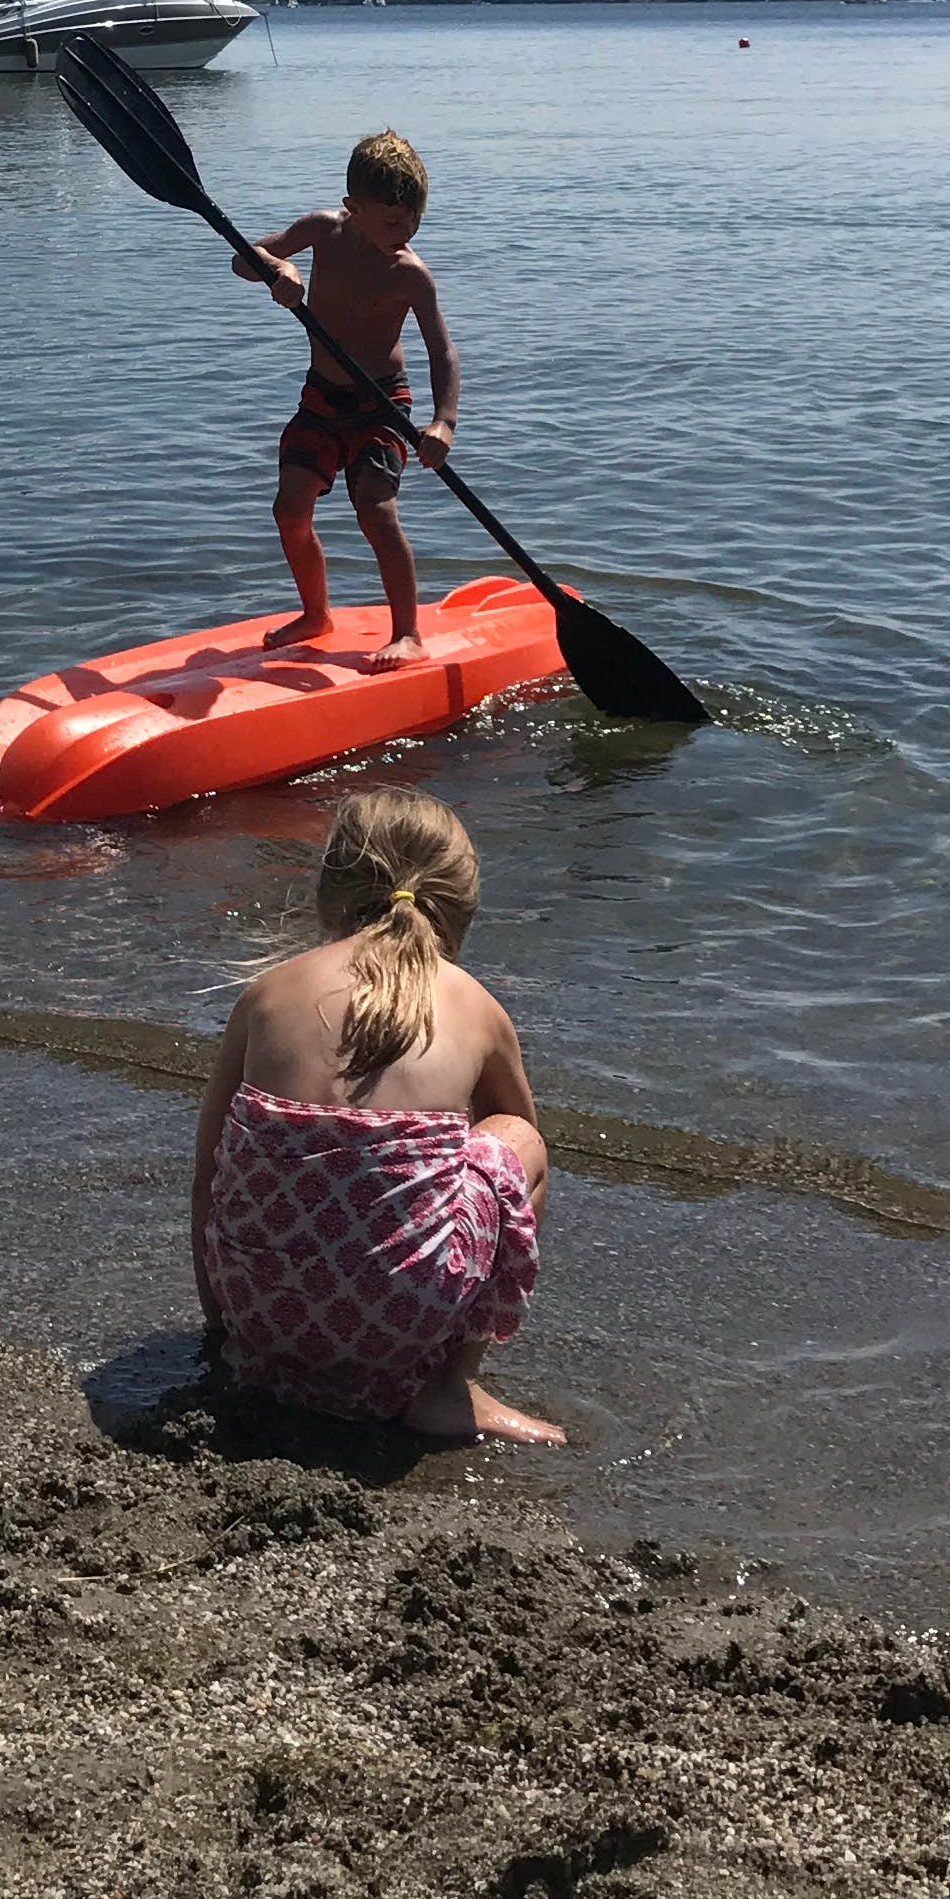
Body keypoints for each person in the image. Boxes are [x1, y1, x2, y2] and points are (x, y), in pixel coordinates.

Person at [191, 793, 560, 1445]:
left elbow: (208, 1176)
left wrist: (226, 1332)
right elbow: (515, 1199)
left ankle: (266, 1354)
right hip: (393, 1317)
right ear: (460, 910)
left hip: (260, 1316)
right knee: (518, 1140)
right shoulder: (476, 1008)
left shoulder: (266, 993)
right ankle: (446, 1387)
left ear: (329, 893)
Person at [237, 126, 459, 669]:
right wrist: (280, 272)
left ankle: (408, 633)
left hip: (383, 405)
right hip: (321, 398)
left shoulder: (411, 274)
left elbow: (442, 354)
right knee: (289, 509)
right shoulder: (322, 231)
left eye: (413, 221)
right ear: (351, 207)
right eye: (391, 222)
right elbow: (244, 258)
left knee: (375, 511)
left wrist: (443, 423)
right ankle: (316, 615)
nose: (404, 233)